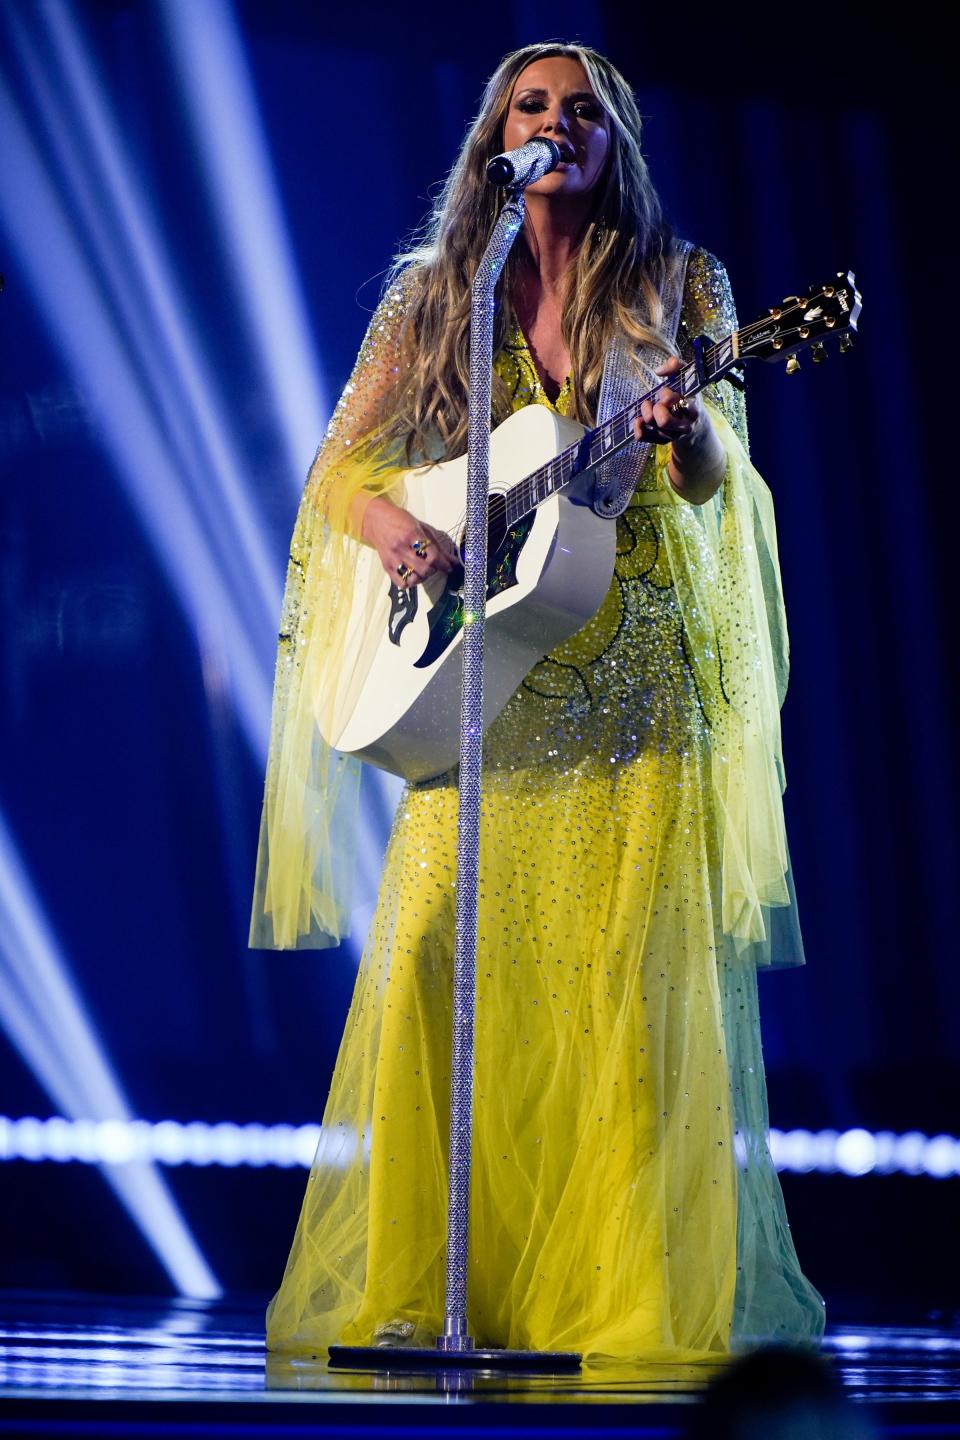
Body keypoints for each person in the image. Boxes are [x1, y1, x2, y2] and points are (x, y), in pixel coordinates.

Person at [250, 41, 825, 1364]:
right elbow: (343, 469)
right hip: (482, 694)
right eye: (533, 106)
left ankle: (614, 1308)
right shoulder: (436, 297)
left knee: (626, 1007)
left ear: (617, 141)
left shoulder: (683, 286)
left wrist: (691, 435)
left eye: (583, 112)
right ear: (495, 138)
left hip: (633, 696)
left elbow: (712, 489)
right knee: (434, 977)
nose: (557, 124)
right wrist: (396, 529)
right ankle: (451, 1296)